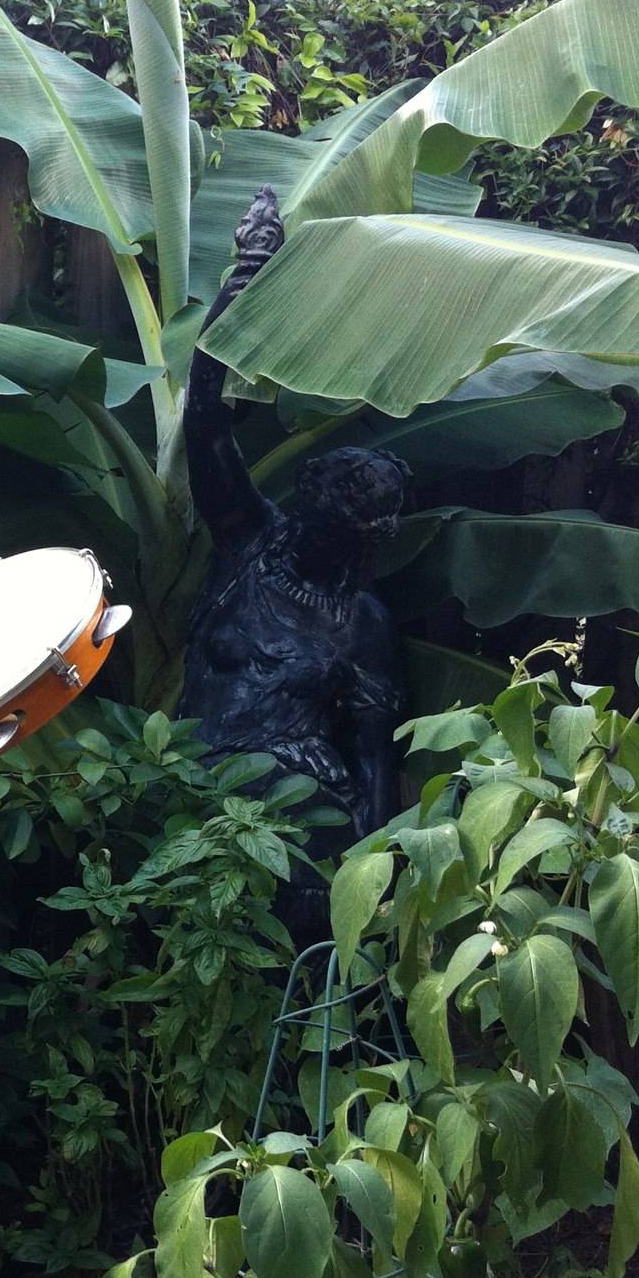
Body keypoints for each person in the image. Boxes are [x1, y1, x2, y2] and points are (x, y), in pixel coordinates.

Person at [180, 187, 407, 875]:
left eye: (354, 536)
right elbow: (205, 419)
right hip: (195, 800)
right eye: (321, 525)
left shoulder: (361, 621)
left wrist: (373, 882)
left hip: (302, 827)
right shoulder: (251, 540)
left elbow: (374, 764)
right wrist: (244, 283)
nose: (327, 543)